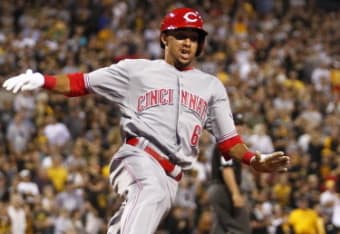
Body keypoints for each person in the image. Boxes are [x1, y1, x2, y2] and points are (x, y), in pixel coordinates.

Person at [2, 7, 290, 234]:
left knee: (138, 214)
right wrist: (42, 79)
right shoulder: (136, 70)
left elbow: (229, 141)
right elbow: (82, 82)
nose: (188, 42)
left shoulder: (211, 86)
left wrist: (254, 160)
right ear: (165, 37)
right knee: (148, 192)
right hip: (138, 156)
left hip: (172, 177)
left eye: (194, 37)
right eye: (181, 35)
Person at [207, 113, 251, 234]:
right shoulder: (228, 144)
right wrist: (235, 194)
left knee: (220, 228)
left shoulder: (232, 144)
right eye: (236, 124)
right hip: (224, 189)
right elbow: (227, 169)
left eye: (241, 124)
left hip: (220, 189)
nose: (239, 127)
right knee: (241, 228)